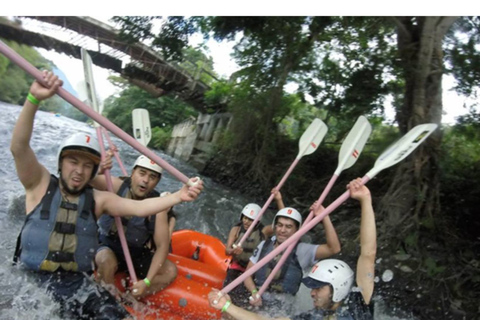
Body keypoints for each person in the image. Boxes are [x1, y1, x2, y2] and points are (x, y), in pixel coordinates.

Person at [10, 70, 203, 320]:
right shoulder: (38, 183)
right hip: (30, 282)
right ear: (61, 162)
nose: (79, 171)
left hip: (75, 285)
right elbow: (19, 147)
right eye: (73, 161)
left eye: (87, 165)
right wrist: (33, 100)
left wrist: (179, 195)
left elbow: (140, 208)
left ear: (93, 171)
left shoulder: (99, 199)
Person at [208, 178, 376, 320]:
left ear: (337, 291)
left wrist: (365, 200)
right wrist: (228, 305)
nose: (312, 293)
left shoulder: (357, 310)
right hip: (260, 297)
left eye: (318, 288)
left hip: (281, 301)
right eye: (314, 287)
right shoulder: (312, 316)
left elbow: (367, 255)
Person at [91, 154, 178, 299]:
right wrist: (99, 169)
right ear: (132, 173)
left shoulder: (158, 207)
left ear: (157, 182)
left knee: (170, 270)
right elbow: (87, 179)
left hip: (135, 252)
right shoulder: (115, 186)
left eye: (152, 177)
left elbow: (162, 247)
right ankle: (109, 300)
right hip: (107, 244)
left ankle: (130, 297)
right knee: (106, 261)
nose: (145, 180)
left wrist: (148, 281)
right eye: (142, 173)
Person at [240, 200, 341, 314]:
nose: (282, 230)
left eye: (288, 227)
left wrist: (324, 216)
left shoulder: (302, 250)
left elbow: (334, 248)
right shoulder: (264, 245)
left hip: (282, 310)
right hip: (257, 300)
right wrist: (254, 292)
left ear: (296, 230)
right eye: (280, 225)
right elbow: (247, 275)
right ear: (275, 226)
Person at [223, 189, 285, 306]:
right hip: (237, 267)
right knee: (229, 292)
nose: (246, 222)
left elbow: (282, 223)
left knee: (245, 299)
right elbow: (227, 251)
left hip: (253, 271)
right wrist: (233, 251)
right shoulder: (236, 230)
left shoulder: (264, 231)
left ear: (257, 221)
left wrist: (279, 200)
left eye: (250, 219)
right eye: (245, 218)